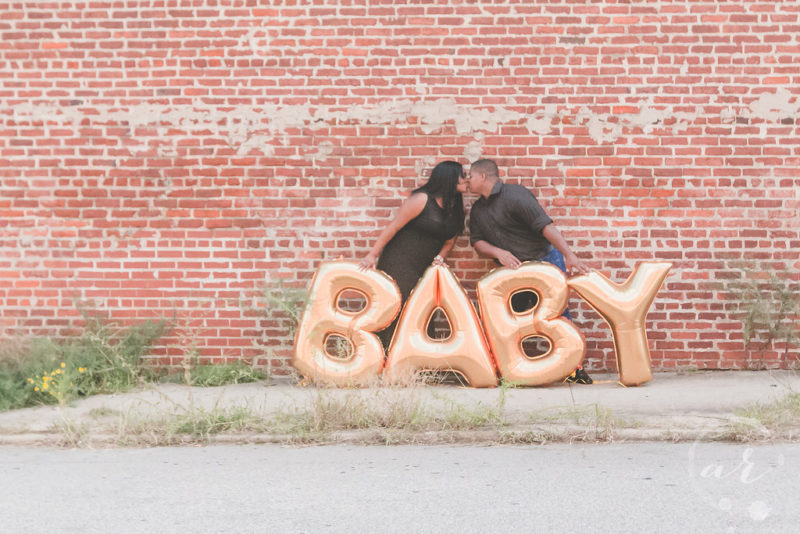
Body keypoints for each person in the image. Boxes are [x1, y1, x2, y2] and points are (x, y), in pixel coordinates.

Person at [465, 158, 594, 384]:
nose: (468, 181)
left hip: (543, 261)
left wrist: (569, 255)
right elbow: (477, 242)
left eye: (471, 176)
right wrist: (498, 252)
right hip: (514, 272)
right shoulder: (477, 210)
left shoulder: (516, 195)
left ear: (483, 177)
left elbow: (545, 226)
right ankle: (509, 370)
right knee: (507, 321)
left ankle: (574, 369)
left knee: (558, 315)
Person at [360, 160, 468, 349]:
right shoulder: (421, 200)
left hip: (426, 266)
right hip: (400, 261)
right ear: (450, 178)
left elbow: (450, 242)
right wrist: (372, 254)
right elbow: (393, 227)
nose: (466, 180)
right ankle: (388, 358)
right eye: (462, 175)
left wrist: (440, 258)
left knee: (424, 307)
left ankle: (419, 359)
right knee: (400, 307)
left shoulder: (457, 209)